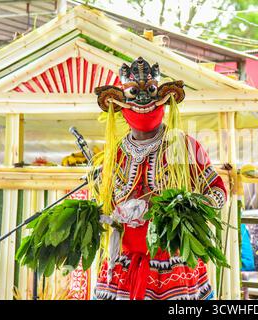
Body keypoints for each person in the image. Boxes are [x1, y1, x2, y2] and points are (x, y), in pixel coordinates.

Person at [92, 57, 227, 300]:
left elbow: (217, 192)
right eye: (134, 93)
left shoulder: (185, 146)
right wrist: (103, 214)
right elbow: (106, 204)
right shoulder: (114, 155)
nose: (143, 101)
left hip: (173, 263)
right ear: (121, 103)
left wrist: (187, 206)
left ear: (164, 98)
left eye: (151, 92)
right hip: (123, 263)